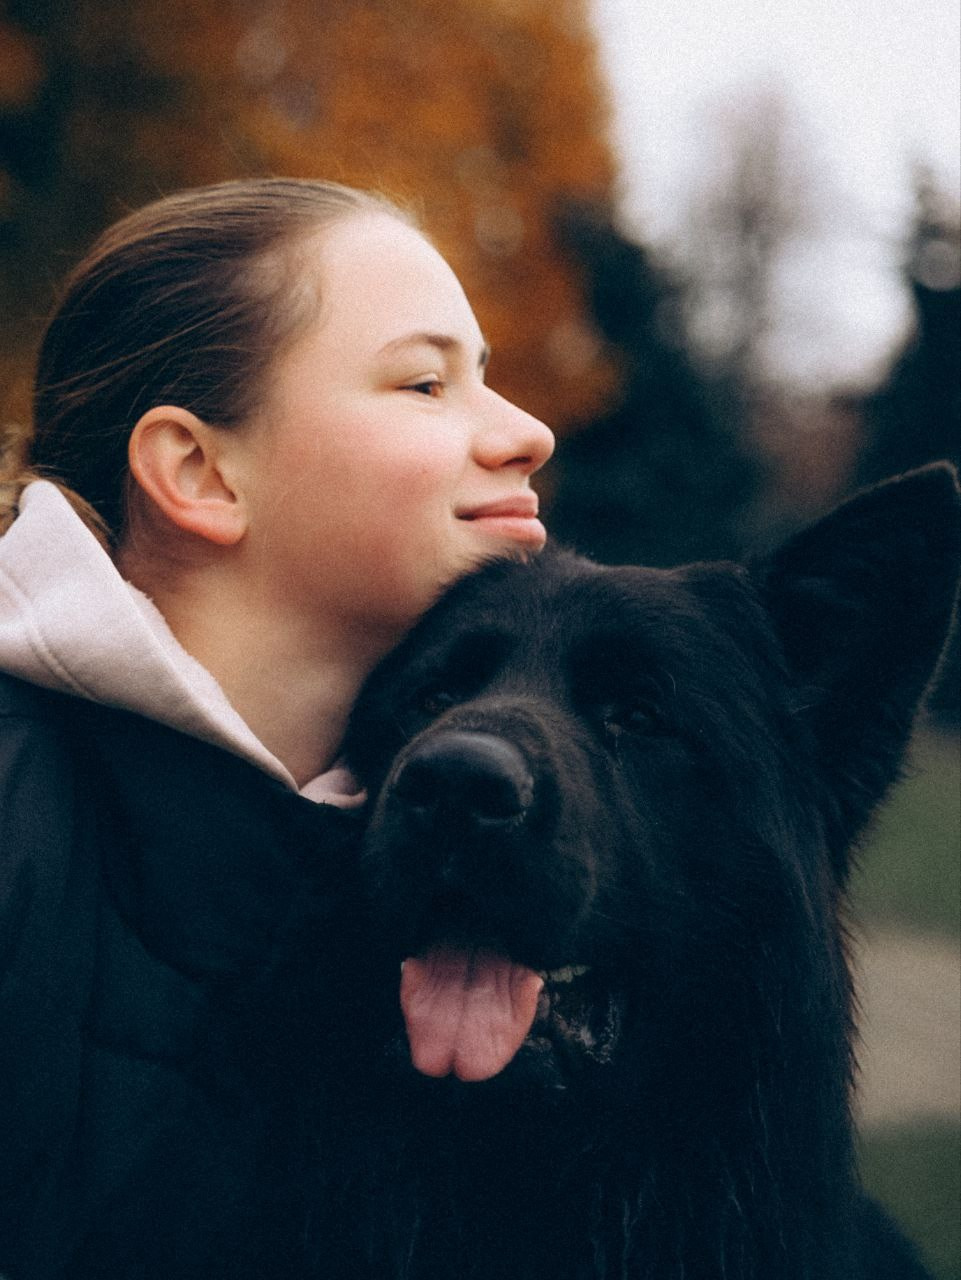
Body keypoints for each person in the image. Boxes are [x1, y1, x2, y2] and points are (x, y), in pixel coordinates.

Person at [0, 178, 554, 1277]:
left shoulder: (473, 856)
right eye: (426, 380)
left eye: (486, 378)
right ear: (201, 471)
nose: (528, 432)